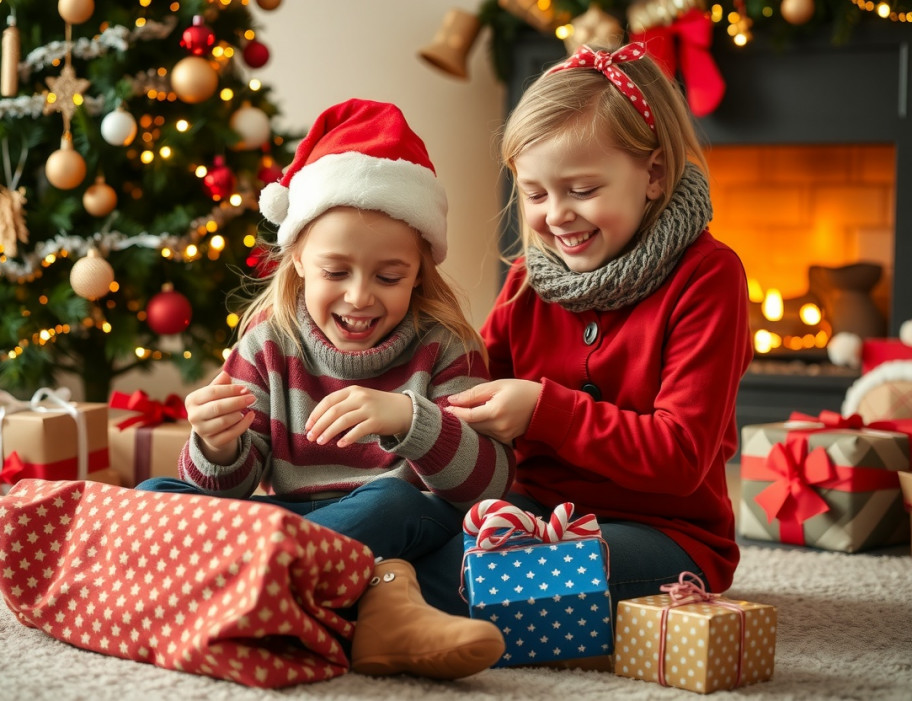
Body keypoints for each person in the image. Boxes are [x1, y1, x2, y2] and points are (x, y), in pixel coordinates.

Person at [138, 98, 513, 679]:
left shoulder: (445, 345)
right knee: (156, 493)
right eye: (336, 272)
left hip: (402, 525)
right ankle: (338, 602)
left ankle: (232, 588)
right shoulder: (268, 343)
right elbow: (228, 489)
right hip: (293, 521)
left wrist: (410, 419)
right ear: (297, 261)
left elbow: (488, 483)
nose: (360, 296)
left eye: (389, 276)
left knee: (393, 501)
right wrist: (216, 446)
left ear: (419, 272)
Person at [439, 42, 753, 615]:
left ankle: (408, 611)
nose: (557, 214)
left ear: (653, 174)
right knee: (428, 535)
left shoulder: (708, 276)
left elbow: (682, 456)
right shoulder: (528, 279)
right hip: (535, 509)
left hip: (663, 533)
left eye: (582, 191)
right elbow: (471, 386)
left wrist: (543, 411)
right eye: (535, 194)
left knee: (507, 575)